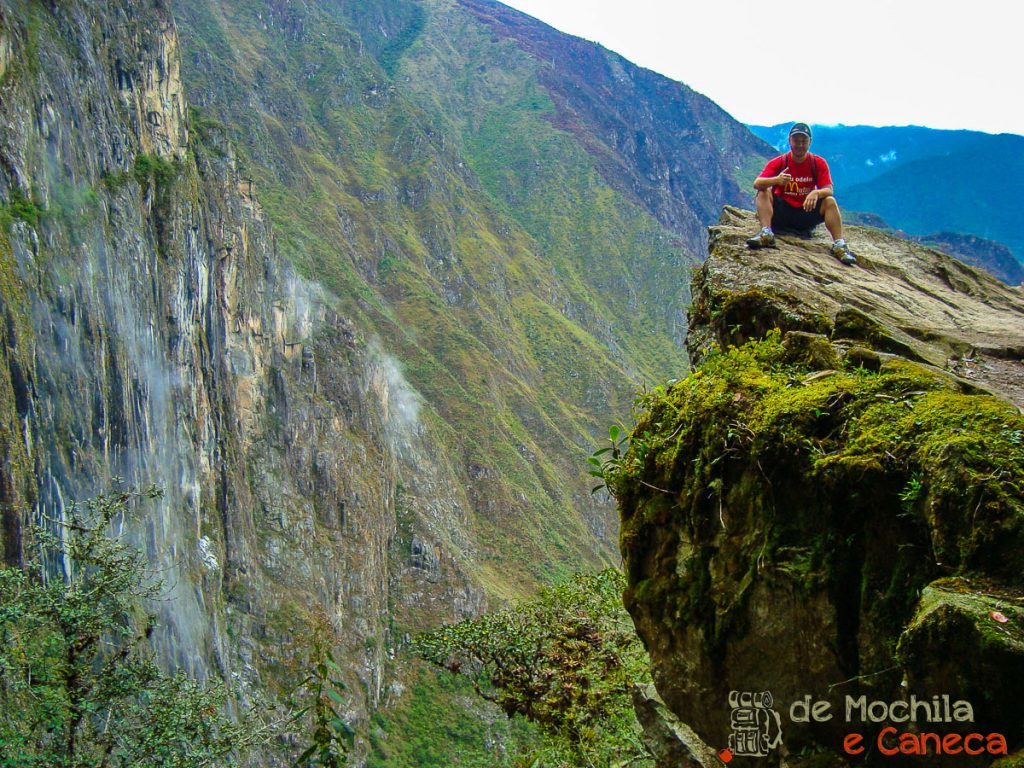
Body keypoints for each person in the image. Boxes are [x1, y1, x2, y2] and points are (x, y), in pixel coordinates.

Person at [747, 123, 856, 265]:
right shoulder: (780, 162)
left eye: (803, 141)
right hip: (781, 214)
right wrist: (776, 180)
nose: (800, 145)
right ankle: (766, 233)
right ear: (789, 141)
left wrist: (816, 192)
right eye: (796, 140)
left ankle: (839, 245)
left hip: (805, 212)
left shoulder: (817, 163)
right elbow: (757, 183)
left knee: (829, 201)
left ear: (809, 142)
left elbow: (829, 189)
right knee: (763, 191)